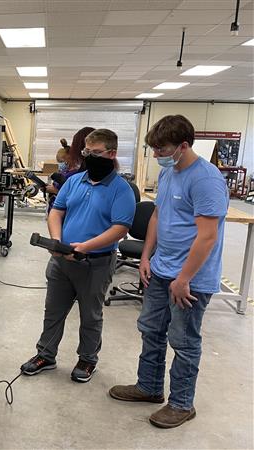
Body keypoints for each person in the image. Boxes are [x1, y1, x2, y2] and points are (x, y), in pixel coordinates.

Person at [109, 115, 229, 428]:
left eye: (163, 150)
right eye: (156, 150)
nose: (158, 155)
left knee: (183, 341)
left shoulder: (206, 180)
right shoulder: (169, 174)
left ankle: (181, 404)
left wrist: (184, 278)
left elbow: (207, 236)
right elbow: (157, 217)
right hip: (161, 269)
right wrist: (146, 256)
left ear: (184, 145)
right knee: (150, 329)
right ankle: (148, 387)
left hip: (190, 280)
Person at [21, 129, 136, 382]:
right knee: (53, 311)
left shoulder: (122, 190)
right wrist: (58, 241)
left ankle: (87, 360)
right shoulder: (74, 181)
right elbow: (56, 211)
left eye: (96, 153)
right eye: (86, 152)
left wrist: (85, 247)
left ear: (112, 154)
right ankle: (46, 355)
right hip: (62, 261)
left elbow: (120, 228)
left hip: (95, 264)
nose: (89, 157)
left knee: (90, 316)